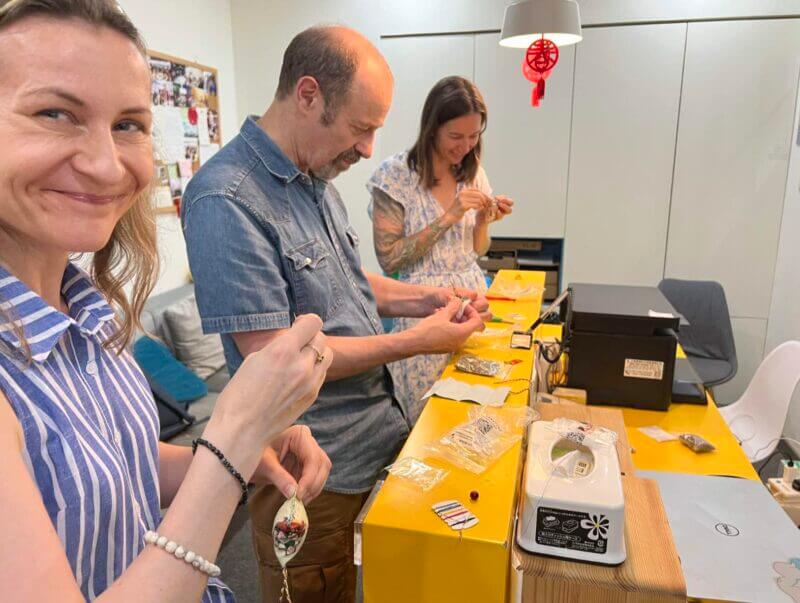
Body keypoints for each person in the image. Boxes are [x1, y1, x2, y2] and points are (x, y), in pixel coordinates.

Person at [0, 2, 332, 601]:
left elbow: (117, 470)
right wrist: (232, 435)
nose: (106, 166)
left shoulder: (91, 309)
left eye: (129, 124)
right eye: (54, 113)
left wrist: (239, 451)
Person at [181, 25, 487, 603]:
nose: (369, 148)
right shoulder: (226, 198)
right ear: (307, 94)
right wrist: (415, 341)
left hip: (376, 438)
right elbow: (280, 362)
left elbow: (346, 285)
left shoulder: (316, 178)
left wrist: (425, 299)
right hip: (315, 470)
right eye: (361, 127)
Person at [368, 76, 514, 421]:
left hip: (472, 302)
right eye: (455, 136)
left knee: (471, 415)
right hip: (423, 309)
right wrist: (451, 214)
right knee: (428, 418)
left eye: (474, 136)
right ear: (432, 127)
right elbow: (388, 258)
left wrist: (483, 221)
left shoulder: (472, 172)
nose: (465, 146)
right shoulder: (395, 176)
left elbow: (475, 251)